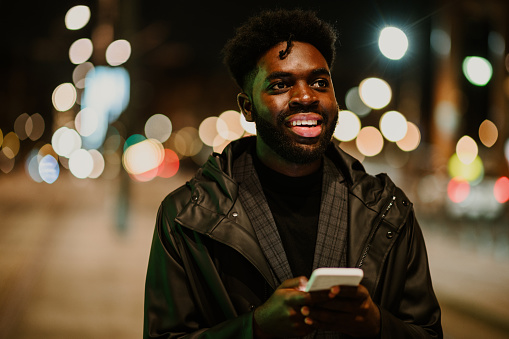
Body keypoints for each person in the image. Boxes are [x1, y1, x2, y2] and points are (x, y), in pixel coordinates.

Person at [143, 8, 442, 339]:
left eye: (319, 82)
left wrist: (376, 326)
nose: (305, 96)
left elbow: (428, 332)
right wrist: (254, 329)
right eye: (281, 84)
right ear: (247, 106)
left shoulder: (389, 211)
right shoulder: (186, 218)